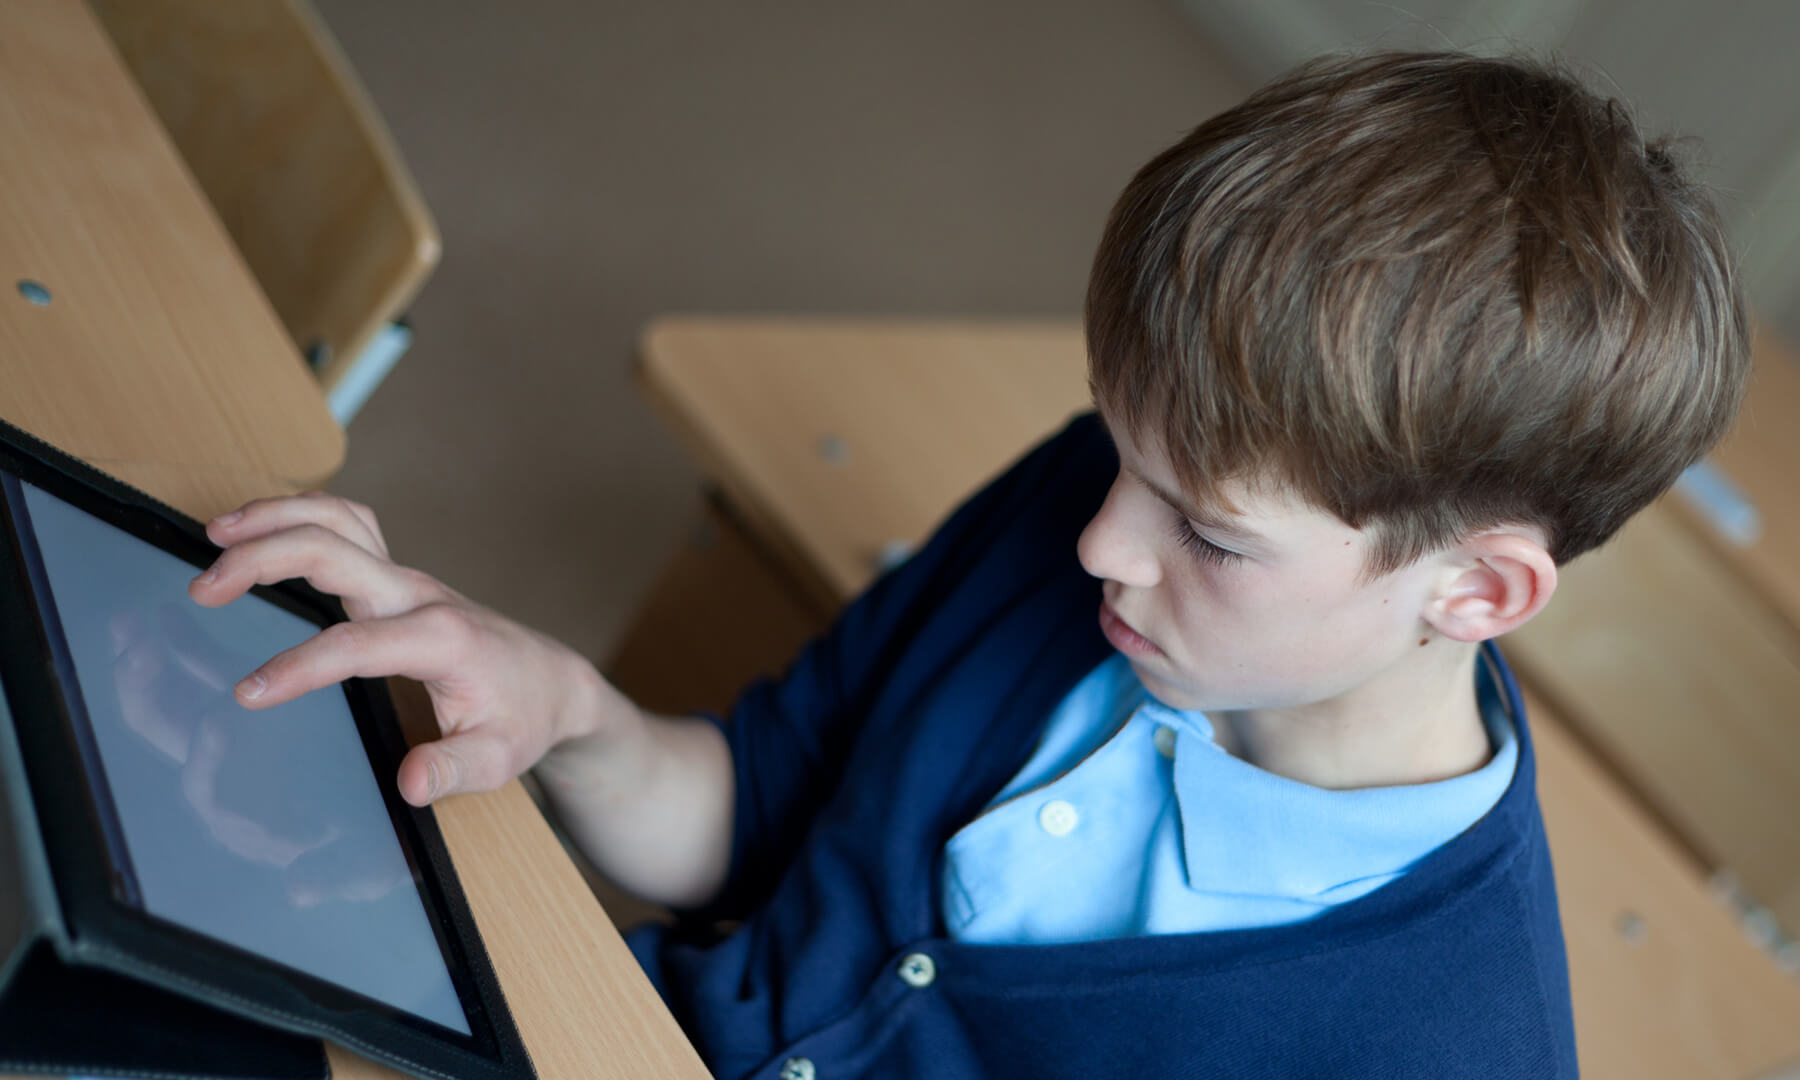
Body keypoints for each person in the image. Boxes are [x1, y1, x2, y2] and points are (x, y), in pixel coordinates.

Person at [190, 51, 1748, 1078]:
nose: (1098, 544)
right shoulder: (1100, 517)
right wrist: (568, 711)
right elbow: (761, 822)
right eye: (1113, 448)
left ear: (1475, 594)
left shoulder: (1450, 1041)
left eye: (1207, 531)